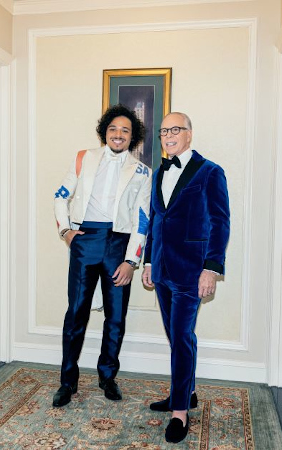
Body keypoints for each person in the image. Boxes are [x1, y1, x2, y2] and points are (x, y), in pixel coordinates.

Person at [53, 104, 151, 407]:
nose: (118, 134)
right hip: (86, 240)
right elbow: (60, 195)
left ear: (132, 136)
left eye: (125, 130)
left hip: (119, 246)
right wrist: (66, 232)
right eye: (113, 129)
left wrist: (131, 260)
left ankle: (107, 377)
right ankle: (67, 382)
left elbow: (143, 218)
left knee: (116, 316)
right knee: (76, 313)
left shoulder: (143, 171)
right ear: (104, 132)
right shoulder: (84, 157)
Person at [142, 112, 230, 443]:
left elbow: (220, 222)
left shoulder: (210, 172)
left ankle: (180, 412)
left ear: (189, 135)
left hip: (192, 271)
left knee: (180, 337)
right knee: (178, 335)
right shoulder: (158, 173)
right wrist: (149, 261)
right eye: (163, 131)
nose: (168, 135)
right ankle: (187, 390)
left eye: (175, 129)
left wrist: (212, 267)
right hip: (162, 268)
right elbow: (155, 219)